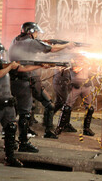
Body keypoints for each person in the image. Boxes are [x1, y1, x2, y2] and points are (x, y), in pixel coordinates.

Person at [9, 22, 73, 152]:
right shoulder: (31, 42)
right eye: (35, 32)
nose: (37, 34)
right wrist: (68, 45)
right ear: (30, 32)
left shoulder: (16, 40)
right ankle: (23, 142)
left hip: (16, 80)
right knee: (25, 113)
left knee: (20, 110)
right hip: (26, 79)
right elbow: (52, 49)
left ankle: (13, 138)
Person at [55, 54, 95, 136]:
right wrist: (84, 64)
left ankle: (86, 129)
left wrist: (89, 63)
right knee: (67, 106)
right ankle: (60, 127)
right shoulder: (73, 60)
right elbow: (75, 69)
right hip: (76, 86)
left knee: (90, 108)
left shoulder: (87, 60)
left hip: (86, 86)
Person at [52, 68, 77, 133]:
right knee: (67, 104)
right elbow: (61, 67)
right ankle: (65, 125)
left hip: (61, 82)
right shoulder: (62, 59)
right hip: (60, 82)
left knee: (59, 103)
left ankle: (48, 120)